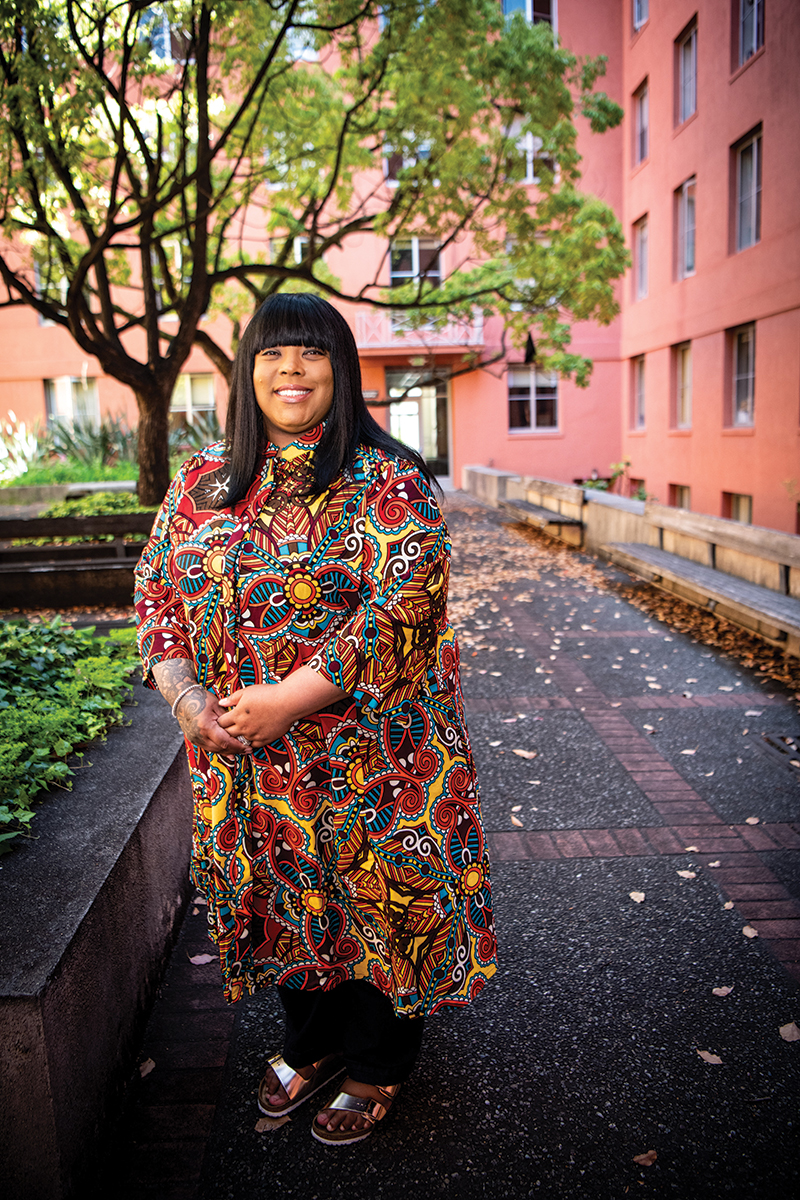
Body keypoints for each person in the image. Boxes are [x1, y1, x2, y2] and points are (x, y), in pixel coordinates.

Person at [135, 293, 497, 1146]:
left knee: (382, 900)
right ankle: (311, 1041)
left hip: (380, 756)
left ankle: (378, 1061)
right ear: (245, 371)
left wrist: (289, 699)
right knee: (291, 900)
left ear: (342, 369)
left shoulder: (390, 477)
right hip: (248, 763)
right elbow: (157, 600)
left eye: (311, 353)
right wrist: (191, 704)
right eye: (271, 353)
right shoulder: (200, 482)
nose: (290, 370)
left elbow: (404, 608)